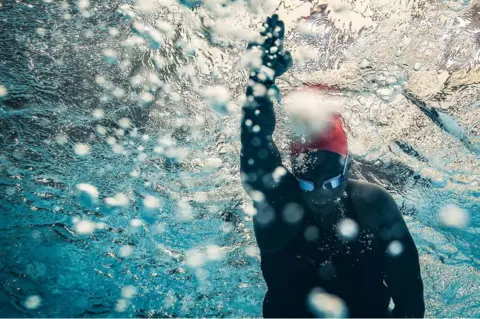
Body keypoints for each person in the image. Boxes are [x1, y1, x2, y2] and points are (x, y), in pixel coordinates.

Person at [240, 14, 425, 318]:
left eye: (329, 182)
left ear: (347, 168)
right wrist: (261, 81)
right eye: (306, 183)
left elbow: (410, 301)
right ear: (294, 173)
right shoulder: (278, 202)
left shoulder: (374, 206)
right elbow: (255, 146)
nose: (318, 194)